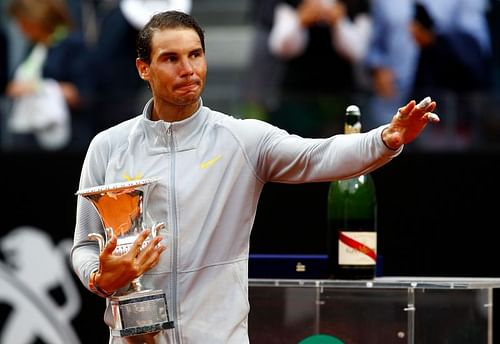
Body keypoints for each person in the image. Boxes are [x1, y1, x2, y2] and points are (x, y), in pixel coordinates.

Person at [70, 10, 439, 344]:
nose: (188, 68)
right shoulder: (108, 146)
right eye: (170, 58)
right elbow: (85, 247)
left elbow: (318, 155)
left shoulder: (240, 139)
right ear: (143, 68)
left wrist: (385, 139)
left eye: (195, 54)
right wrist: (99, 278)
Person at [266, 0, 372, 137]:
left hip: (340, 96)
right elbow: (279, 47)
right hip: (297, 96)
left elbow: (358, 51)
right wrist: (301, 20)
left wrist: (338, 22)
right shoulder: (291, 3)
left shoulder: (357, 5)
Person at [4, 0, 94, 151]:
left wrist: (37, 87)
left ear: (36, 18)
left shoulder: (72, 45)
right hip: (30, 137)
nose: (21, 29)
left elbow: (82, 94)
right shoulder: (34, 47)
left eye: (23, 22)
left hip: (66, 140)